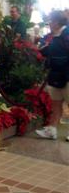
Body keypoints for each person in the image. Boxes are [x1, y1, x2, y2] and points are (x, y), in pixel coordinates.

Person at [36, 10, 69, 141]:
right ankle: (52, 130)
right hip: (55, 75)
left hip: (67, 75)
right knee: (56, 104)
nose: (49, 22)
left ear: (56, 22)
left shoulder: (67, 34)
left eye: (50, 20)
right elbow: (49, 51)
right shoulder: (53, 35)